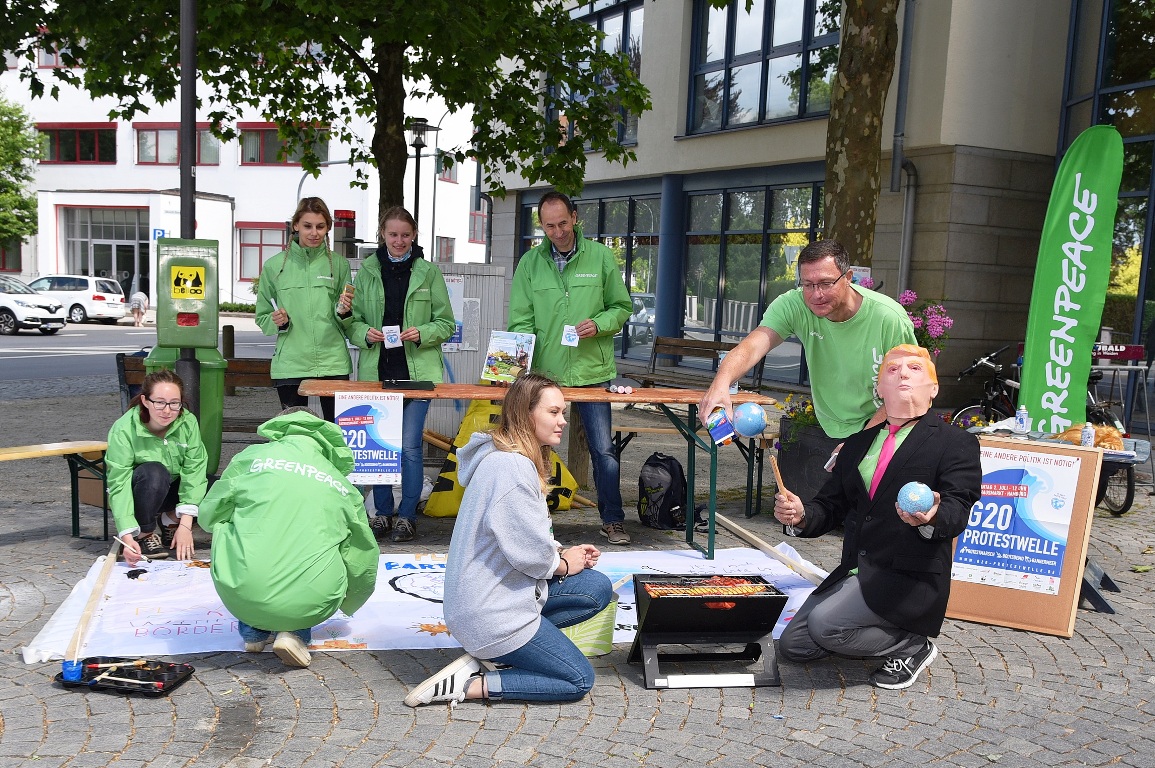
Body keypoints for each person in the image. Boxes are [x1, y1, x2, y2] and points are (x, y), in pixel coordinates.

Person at [773, 344, 981, 689]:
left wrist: (931, 515)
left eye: (914, 369)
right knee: (795, 646)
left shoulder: (955, 443)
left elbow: (958, 509)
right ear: (879, 390)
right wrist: (800, 515)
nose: (902, 373)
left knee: (826, 627)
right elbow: (830, 505)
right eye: (892, 369)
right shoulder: (857, 443)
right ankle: (872, 632)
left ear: (934, 388)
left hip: (907, 575)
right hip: (858, 567)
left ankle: (912, 643)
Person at [405, 373, 614, 706]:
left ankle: (501, 654)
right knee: (577, 679)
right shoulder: (511, 469)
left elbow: (519, 537)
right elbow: (531, 557)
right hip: (490, 613)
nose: (562, 421)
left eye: (563, 412)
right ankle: (470, 684)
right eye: (554, 412)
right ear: (525, 414)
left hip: (486, 600)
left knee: (596, 587)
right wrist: (562, 563)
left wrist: (561, 552)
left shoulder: (503, 456)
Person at [700, 240, 916, 462]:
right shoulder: (794, 305)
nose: (816, 294)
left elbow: (908, 392)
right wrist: (720, 384)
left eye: (825, 283)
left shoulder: (888, 318)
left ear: (848, 278)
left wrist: (859, 444)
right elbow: (752, 346)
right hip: (833, 427)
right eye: (808, 285)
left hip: (886, 426)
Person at [197, 407, 379, 668]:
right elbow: (363, 555)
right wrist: (352, 599)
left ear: (280, 429)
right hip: (310, 599)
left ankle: (253, 632)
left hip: (244, 595)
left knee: (229, 529)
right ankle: (295, 630)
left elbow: (208, 515)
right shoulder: (343, 484)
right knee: (337, 551)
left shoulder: (251, 458)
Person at [509, 191, 633, 544]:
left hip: (593, 371)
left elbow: (621, 307)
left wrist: (600, 323)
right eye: (549, 226)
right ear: (541, 225)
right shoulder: (530, 264)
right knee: (538, 450)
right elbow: (520, 321)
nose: (558, 232)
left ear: (575, 218)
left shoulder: (601, 256)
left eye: (563, 223)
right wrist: (517, 365)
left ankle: (612, 520)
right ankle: (536, 522)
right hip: (546, 375)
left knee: (603, 450)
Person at [345, 207, 456, 543]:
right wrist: (366, 332)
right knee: (380, 447)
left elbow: (446, 324)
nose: (399, 241)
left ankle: (406, 515)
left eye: (405, 235)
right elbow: (351, 321)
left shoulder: (428, 272)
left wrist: (421, 332)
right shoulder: (366, 271)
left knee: (408, 448)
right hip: (376, 372)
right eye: (393, 234)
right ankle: (382, 514)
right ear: (382, 234)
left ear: (414, 235)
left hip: (417, 373)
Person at [255, 197, 353, 422]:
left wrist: (344, 312)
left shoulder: (339, 265)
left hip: (333, 361)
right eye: (307, 226)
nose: (314, 233)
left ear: (328, 228)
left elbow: (348, 319)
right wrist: (278, 321)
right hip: (291, 363)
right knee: (295, 435)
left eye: (320, 226)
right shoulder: (274, 266)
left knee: (336, 433)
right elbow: (262, 317)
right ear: (295, 225)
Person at [105, 369, 208, 566]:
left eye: (174, 403)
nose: (167, 410)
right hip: (141, 492)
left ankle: (171, 522)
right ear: (145, 401)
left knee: (215, 486)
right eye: (159, 402)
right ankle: (144, 534)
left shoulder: (188, 422)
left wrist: (186, 524)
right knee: (155, 472)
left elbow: (195, 470)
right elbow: (119, 483)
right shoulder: (124, 429)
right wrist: (127, 537)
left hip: (170, 489)